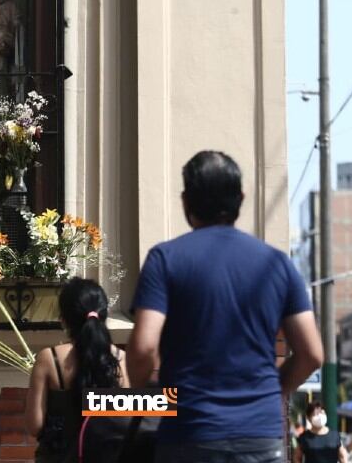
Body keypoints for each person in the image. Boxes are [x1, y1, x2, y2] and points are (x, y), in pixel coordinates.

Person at [127, 150, 325, 463]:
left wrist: (147, 391)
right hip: (261, 437)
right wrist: (274, 391)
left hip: (189, 434)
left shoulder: (164, 260)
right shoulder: (277, 264)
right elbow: (312, 353)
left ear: (185, 201)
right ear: (241, 198)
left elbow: (142, 349)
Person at [25, 278, 131, 463]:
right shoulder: (123, 361)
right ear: (104, 314)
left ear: (64, 319)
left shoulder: (50, 359)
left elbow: (35, 425)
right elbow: (132, 421)